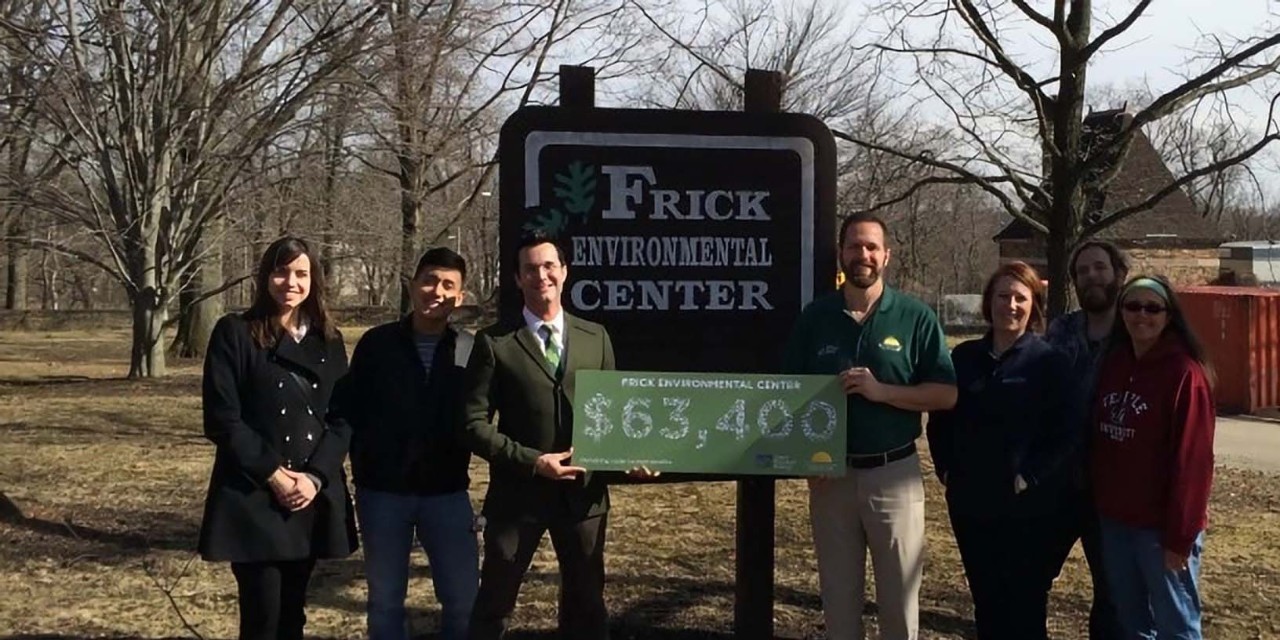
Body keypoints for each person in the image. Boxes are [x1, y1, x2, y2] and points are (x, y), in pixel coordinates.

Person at [782, 213, 958, 640]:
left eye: (871, 247)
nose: (863, 254)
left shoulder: (914, 317)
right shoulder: (815, 317)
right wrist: (805, 457)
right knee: (839, 602)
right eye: (854, 246)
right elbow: (789, 394)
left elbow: (945, 394)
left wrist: (883, 392)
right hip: (831, 478)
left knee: (899, 602)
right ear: (841, 254)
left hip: (893, 474)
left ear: (886, 256)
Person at [197, 236, 357, 640]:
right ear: (265, 277)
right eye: (281, 272)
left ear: (314, 280)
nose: (291, 282)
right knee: (262, 618)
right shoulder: (236, 333)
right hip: (255, 496)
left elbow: (343, 418)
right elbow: (222, 418)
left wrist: (315, 478)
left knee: (292, 617)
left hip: (308, 496)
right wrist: (274, 474)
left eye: (301, 273)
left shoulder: (329, 339)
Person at [460, 232, 617, 640]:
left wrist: (629, 456)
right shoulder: (495, 343)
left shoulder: (596, 337)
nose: (541, 275)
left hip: (583, 497)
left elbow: (614, 413)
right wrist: (532, 461)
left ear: (564, 272)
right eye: (530, 269)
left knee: (587, 609)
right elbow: (473, 424)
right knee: (495, 605)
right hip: (518, 498)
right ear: (517, 278)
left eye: (549, 266)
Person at [329, 247, 478, 640]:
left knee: (464, 601)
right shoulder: (377, 344)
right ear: (412, 286)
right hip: (383, 494)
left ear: (460, 296)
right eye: (429, 280)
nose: (437, 291)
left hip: (447, 493)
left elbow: (483, 415)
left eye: (448, 285)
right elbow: (349, 409)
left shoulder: (469, 348)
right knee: (384, 602)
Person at [926, 262, 1076, 640]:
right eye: (1002, 296)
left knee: (1024, 605)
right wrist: (946, 469)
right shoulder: (964, 358)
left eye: (1020, 298)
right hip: (970, 503)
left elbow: (1066, 433)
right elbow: (940, 419)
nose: (1010, 305)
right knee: (986, 601)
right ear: (988, 302)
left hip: (1027, 509)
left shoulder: (1049, 362)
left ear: (1034, 305)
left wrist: (1030, 477)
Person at [1091, 276, 1215, 639]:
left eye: (1152, 308)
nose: (1141, 315)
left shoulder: (1185, 374)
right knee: (1132, 625)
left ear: (1168, 315)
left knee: (1176, 627)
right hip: (1116, 524)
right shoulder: (1114, 363)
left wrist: (1180, 537)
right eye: (1132, 306)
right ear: (1121, 312)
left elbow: (1193, 463)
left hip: (1161, 530)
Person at [1043, 240, 1128, 639]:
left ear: (1119, 274)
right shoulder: (1061, 330)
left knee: (1112, 595)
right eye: (1082, 271)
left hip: (1114, 488)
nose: (1091, 277)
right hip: (1058, 481)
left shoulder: (1137, 330)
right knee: (1029, 573)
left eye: (1099, 268)